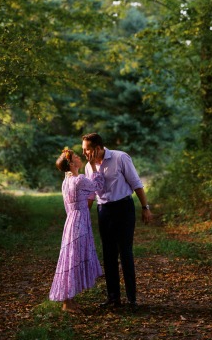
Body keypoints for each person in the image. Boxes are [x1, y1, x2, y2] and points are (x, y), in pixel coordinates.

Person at [82, 132, 152, 308]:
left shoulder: (120, 158)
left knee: (125, 253)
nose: (84, 153)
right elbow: (91, 193)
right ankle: (113, 298)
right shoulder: (88, 167)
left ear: (98, 148)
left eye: (87, 149)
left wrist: (145, 208)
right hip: (103, 210)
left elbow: (137, 184)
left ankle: (131, 299)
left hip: (123, 208)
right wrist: (81, 215)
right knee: (108, 254)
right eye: (83, 150)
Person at [49, 148, 105, 313]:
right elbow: (98, 185)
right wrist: (94, 166)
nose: (79, 158)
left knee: (71, 258)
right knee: (73, 259)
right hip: (79, 221)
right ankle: (67, 302)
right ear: (72, 164)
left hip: (71, 220)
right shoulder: (79, 179)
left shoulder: (66, 181)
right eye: (76, 157)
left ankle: (70, 300)